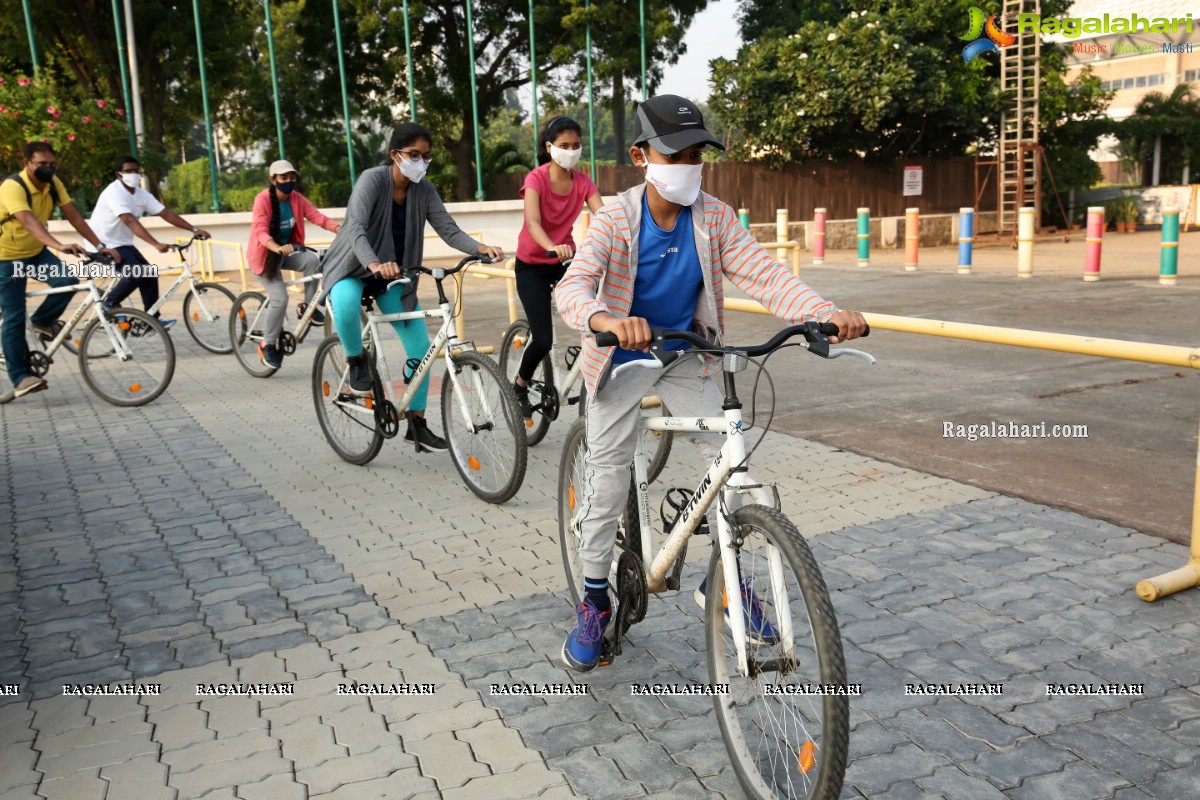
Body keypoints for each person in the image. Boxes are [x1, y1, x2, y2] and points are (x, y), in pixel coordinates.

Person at [554, 95, 868, 672]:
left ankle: (720, 581)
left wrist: (824, 312)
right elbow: (573, 288)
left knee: (732, 459)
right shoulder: (614, 220)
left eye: (697, 152)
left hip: (688, 355)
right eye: (676, 153)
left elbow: (765, 273)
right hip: (622, 360)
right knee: (604, 488)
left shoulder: (714, 216)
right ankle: (594, 599)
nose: (689, 164)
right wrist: (604, 321)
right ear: (641, 156)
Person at [318, 121, 505, 453]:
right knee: (345, 303)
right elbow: (356, 228)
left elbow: (448, 229)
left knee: (420, 347)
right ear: (395, 155)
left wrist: (479, 248)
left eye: (426, 156)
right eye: (414, 155)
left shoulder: (424, 190)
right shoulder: (372, 181)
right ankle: (357, 360)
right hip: (353, 266)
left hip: (394, 277)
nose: (421, 162)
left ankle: (417, 423)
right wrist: (373, 263)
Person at [0, 141, 120, 403]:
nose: (48, 168)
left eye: (51, 164)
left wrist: (100, 246)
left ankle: (42, 321)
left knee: (67, 280)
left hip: (35, 252)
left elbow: (74, 217)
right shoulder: (12, 187)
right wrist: (58, 245)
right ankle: (21, 378)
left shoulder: (53, 184)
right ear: (27, 163)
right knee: (15, 316)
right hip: (6, 258)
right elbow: (29, 221)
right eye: (41, 164)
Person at [511, 116, 603, 417]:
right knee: (543, 338)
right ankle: (520, 384)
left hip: (566, 261)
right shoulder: (536, 179)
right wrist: (550, 245)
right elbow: (533, 222)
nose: (571, 150)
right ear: (550, 147)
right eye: (564, 145)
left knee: (599, 315)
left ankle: (589, 371)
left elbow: (603, 216)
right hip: (533, 265)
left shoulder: (583, 182)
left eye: (576, 145)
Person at [91, 155, 212, 327]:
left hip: (122, 243)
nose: (133, 174)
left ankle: (150, 320)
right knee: (137, 272)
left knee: (149, 272)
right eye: (128, 171)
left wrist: (194, 229)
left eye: (136, 171)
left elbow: (166, 213)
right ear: (119, 174)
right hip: (102, 244)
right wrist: (155, 244)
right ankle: (108, 304)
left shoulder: (141, 194)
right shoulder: (114, 193)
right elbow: (129, 220)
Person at [247, 159, 341, 369]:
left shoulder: (296, 198)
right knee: (280, 299)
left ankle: (307, 307)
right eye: (283, 178)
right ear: (273, 180)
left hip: (286, 252)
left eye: (292, 177)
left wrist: (338, 229)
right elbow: (260, 230)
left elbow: (316, 216)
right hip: (265, 256)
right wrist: (276, 247)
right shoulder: (262, 200)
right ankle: (267, 344)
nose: (289, 181)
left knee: (311, 261)